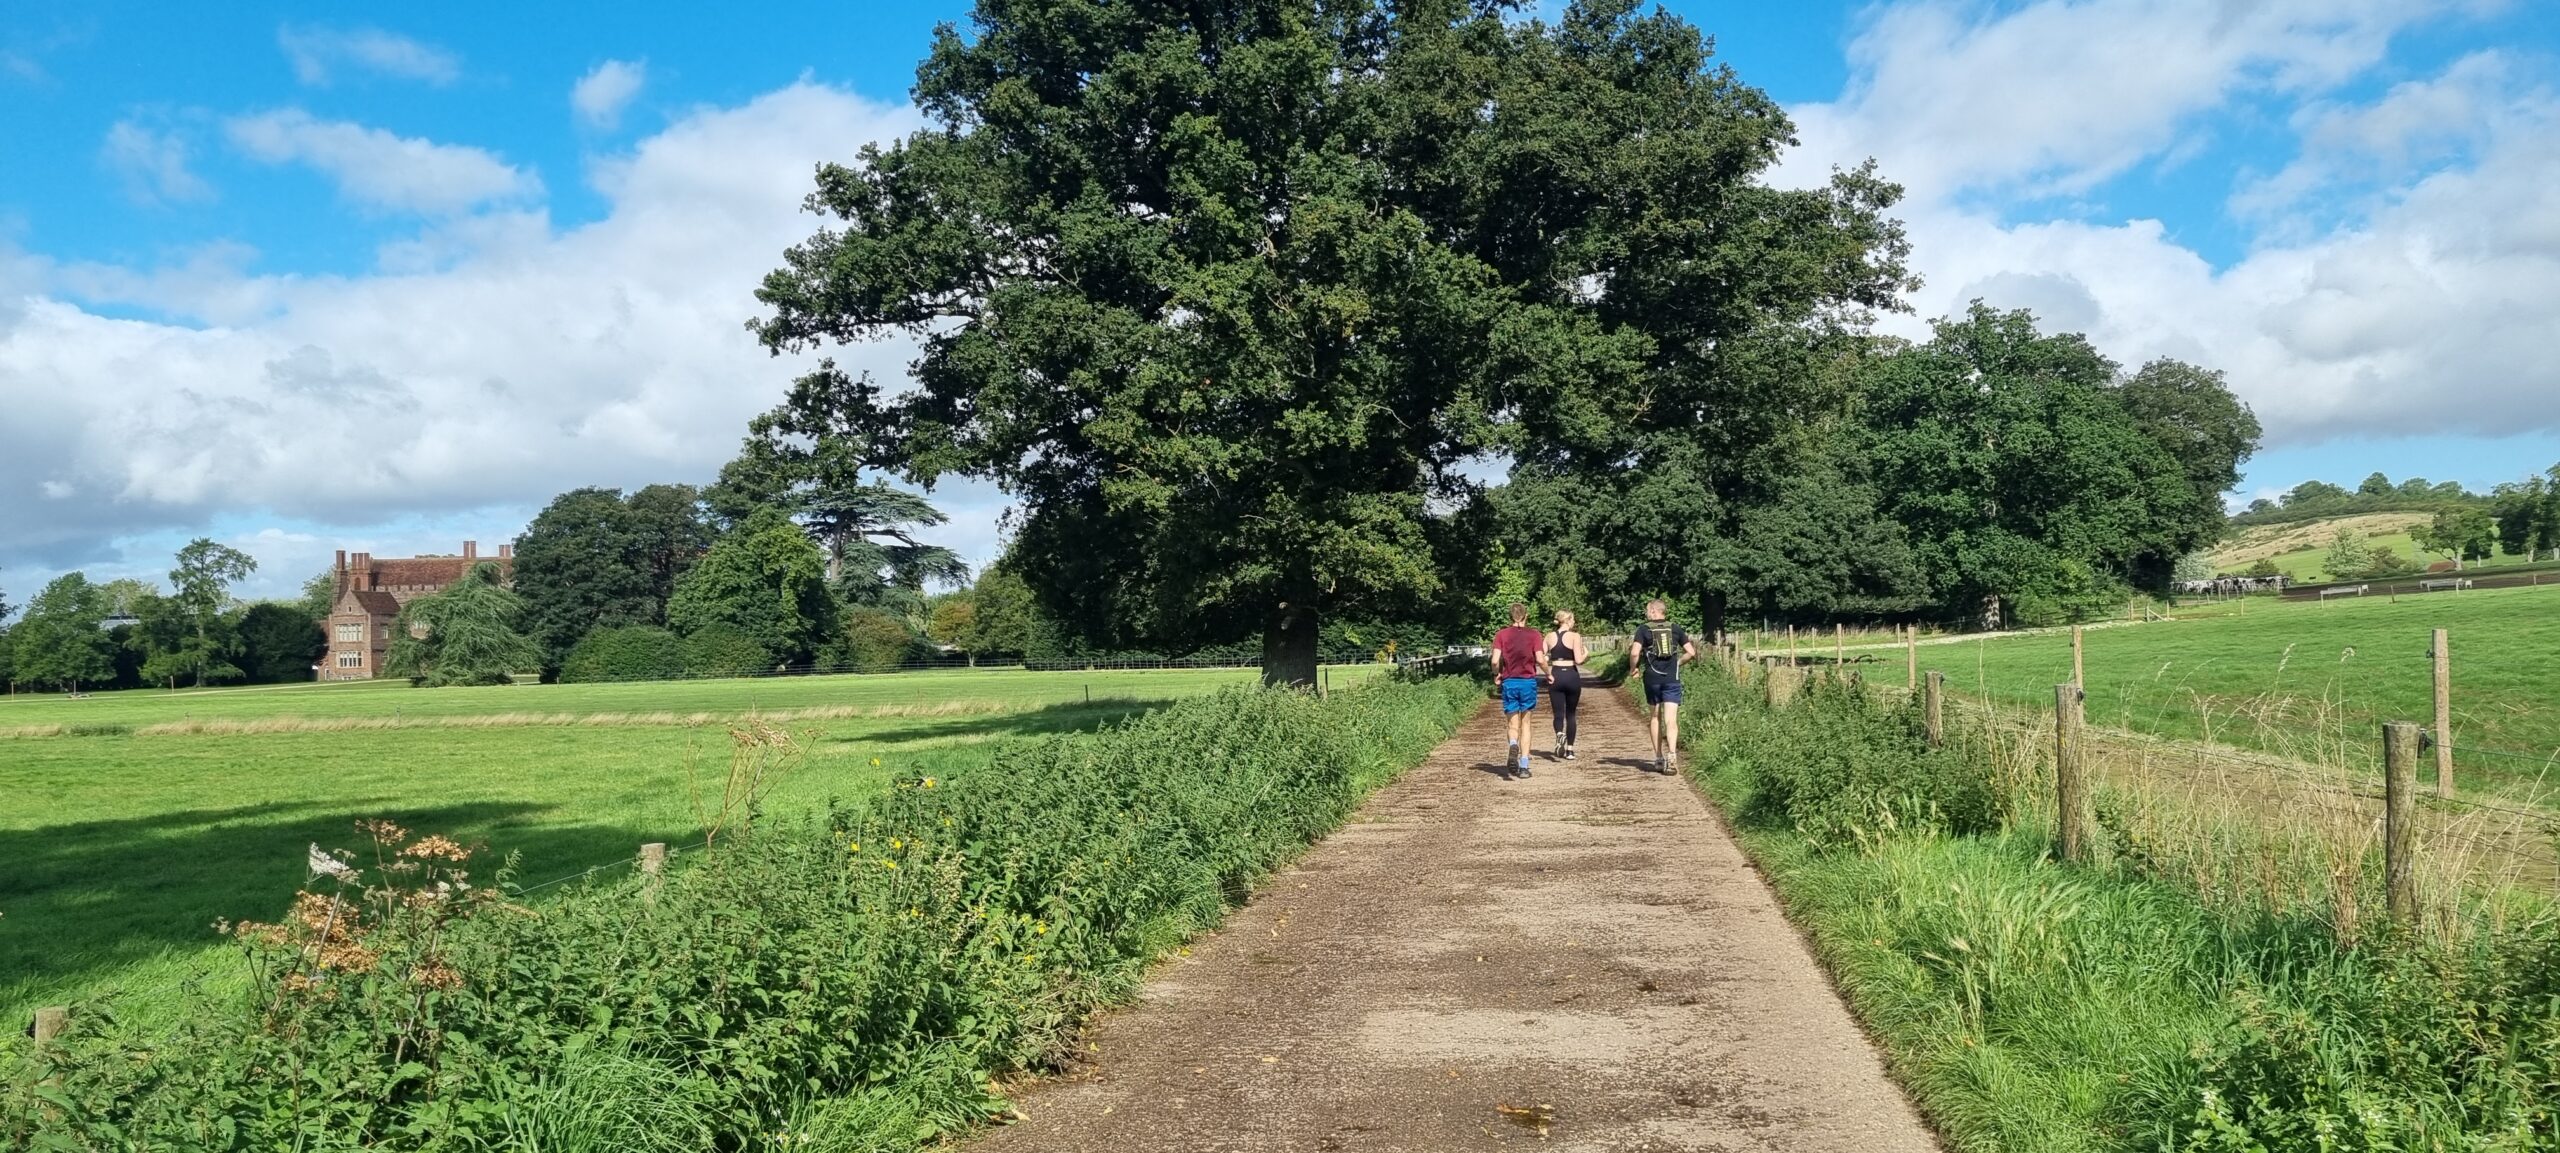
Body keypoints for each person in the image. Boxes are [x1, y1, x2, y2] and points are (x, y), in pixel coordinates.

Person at [1627, 599, 1696, 774]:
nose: (1646, 614)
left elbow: (1635, 652)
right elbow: (1691, 652)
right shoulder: (1675, 628)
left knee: (1655, 717)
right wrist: (1678, 663)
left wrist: (1633, 669)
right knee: (1671, 719)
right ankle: (1672, 757)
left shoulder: (1643, 629)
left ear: (1653, 612)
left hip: (1652, 679)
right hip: (1672, 678)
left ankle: (1658, 758)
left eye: (1647, 611)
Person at [1491, 601, 1545, 778]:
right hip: (1527, 682)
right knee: (1526, 724)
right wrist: (1549, 673)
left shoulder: (1501, 634)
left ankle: (1513, 743)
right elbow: (1540, 658)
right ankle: (1523, 766)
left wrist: (1497, 674)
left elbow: (1494, 661)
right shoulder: (1534, 635)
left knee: (1512, 724)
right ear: (1526, 616)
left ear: (1510, 616)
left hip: (1509, 682)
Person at [1545, 609, 1587, 760]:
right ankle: (1570, 750)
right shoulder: (1575, 636)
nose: (1574, 622)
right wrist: (1586, 654)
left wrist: (1546, 672)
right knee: (1571, 713)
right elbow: (1579, 660)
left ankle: (1559, 734)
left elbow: (1541, 657)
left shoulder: (1549, 636)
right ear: (1568, 620)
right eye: (1573, 619)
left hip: (1556, 674)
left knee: (1558, 713)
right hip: (1571, 674)